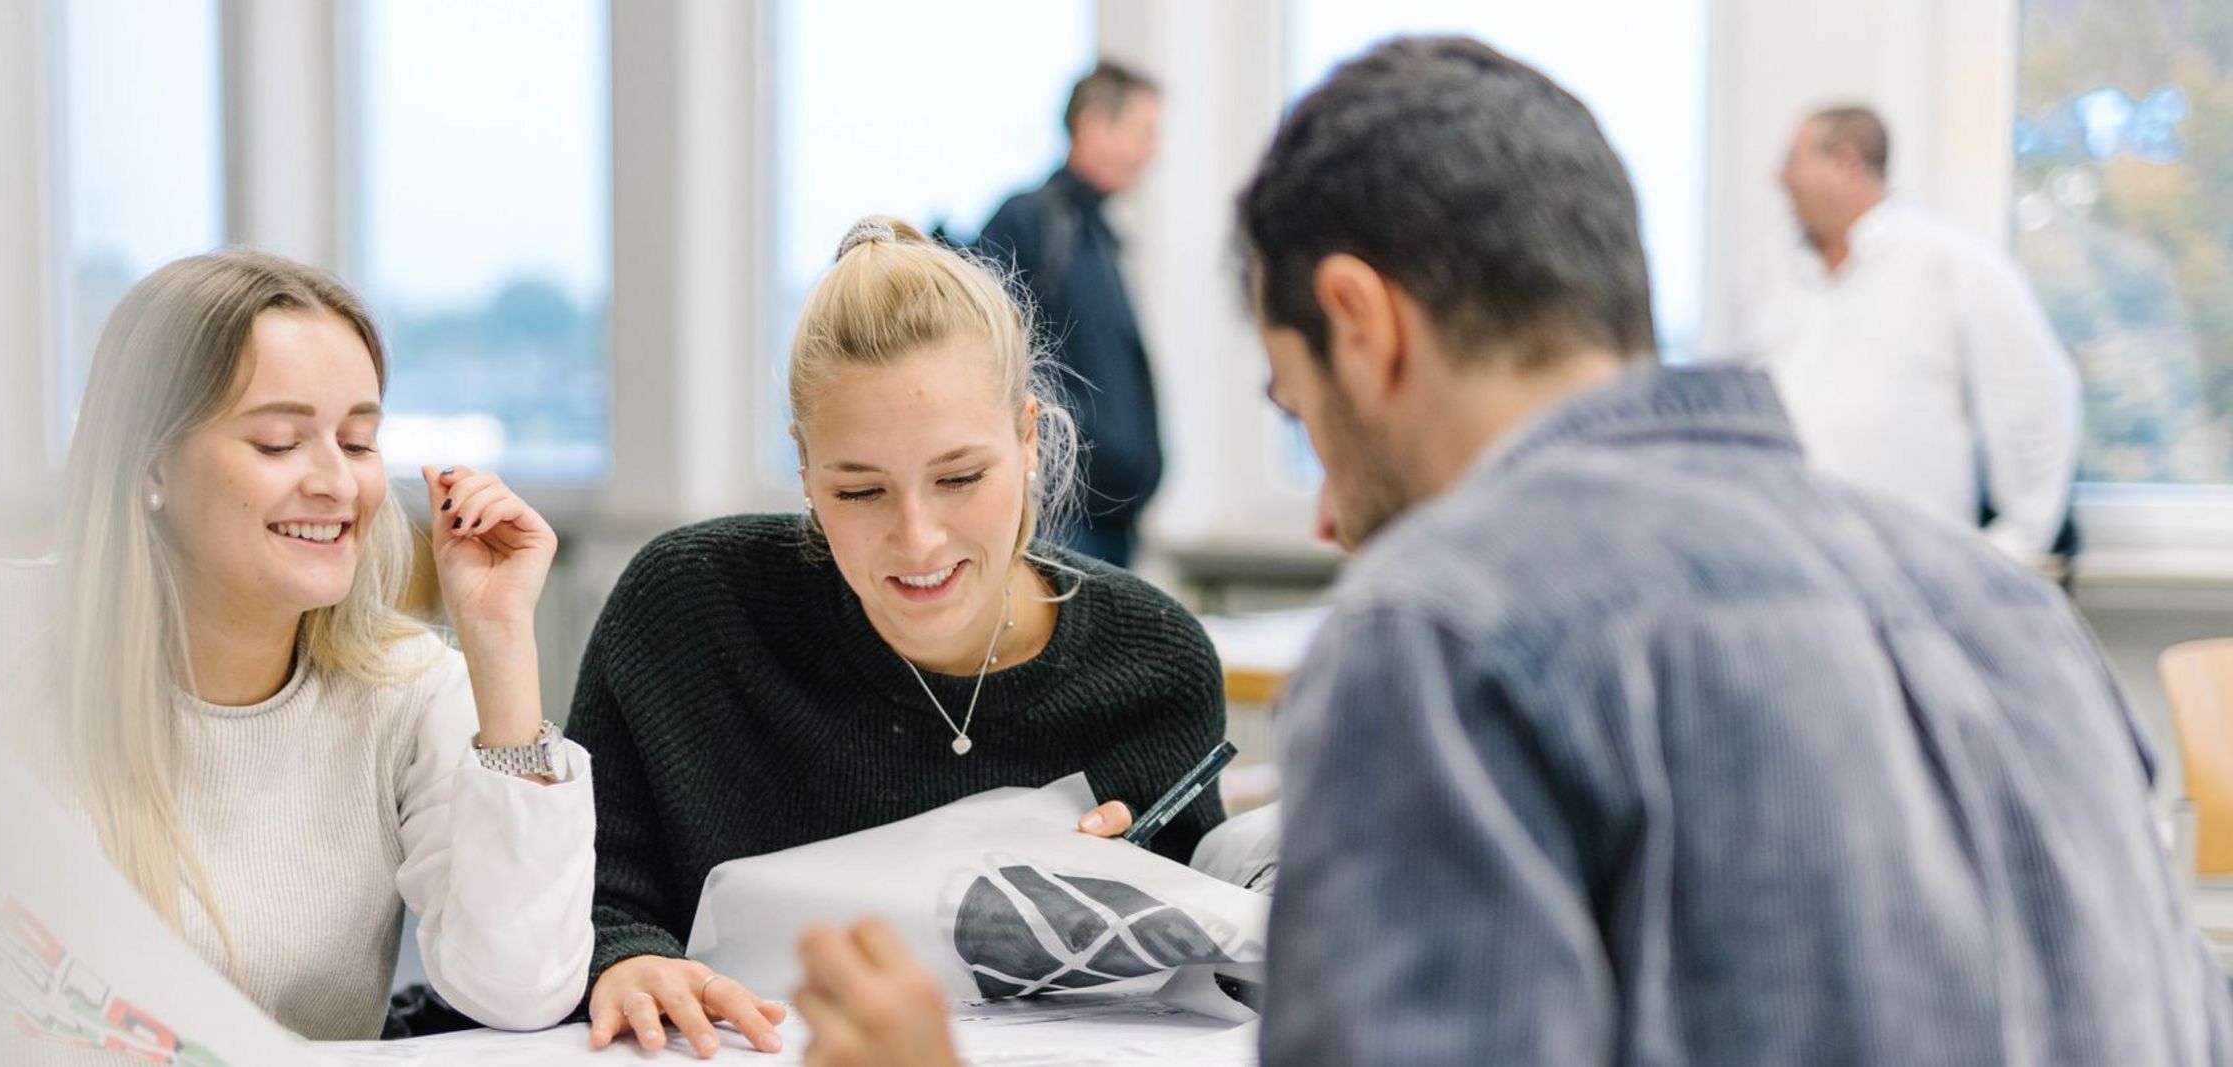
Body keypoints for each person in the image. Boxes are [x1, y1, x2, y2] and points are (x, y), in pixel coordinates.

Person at [790, 35, 2233, 1067]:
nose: (1326, 517)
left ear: (1365, 321)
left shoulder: (1447, 635)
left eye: (1308, 417)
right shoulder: (2012, 619)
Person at [567, 217, 1228, 1059]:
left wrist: (1143, 901)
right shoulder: (689, 614)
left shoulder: (1153, 667)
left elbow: (1218, 979)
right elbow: (590, 905)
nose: (918, 540)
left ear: (1027, 438)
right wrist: (623, 960)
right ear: (804, 467)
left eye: (959, 477)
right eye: (859, 491)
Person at [8, 250, 597, 1040]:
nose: (337, 482)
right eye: (281, 442)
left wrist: (502, 646)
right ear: (151, 464)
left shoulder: (410, 693)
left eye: (357, 442)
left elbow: (523, 989)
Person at [1706, 104, 2082, 563]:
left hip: (1912, 569)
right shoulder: (1762, 273)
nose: (1780, 178)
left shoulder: (1951, 262)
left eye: (1792, 160)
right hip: (1777, 563)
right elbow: (1720, 402)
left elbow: (2033, 396)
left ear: (1846, 163)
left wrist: (2018, 541)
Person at [975, 60, 1164, 568]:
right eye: (1142, 132)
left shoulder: (1096, 234)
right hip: (1063, 517)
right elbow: (985, 356)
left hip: (1112, 519)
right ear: (1093, 125)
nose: (1151, 152)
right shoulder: (1031, 220)